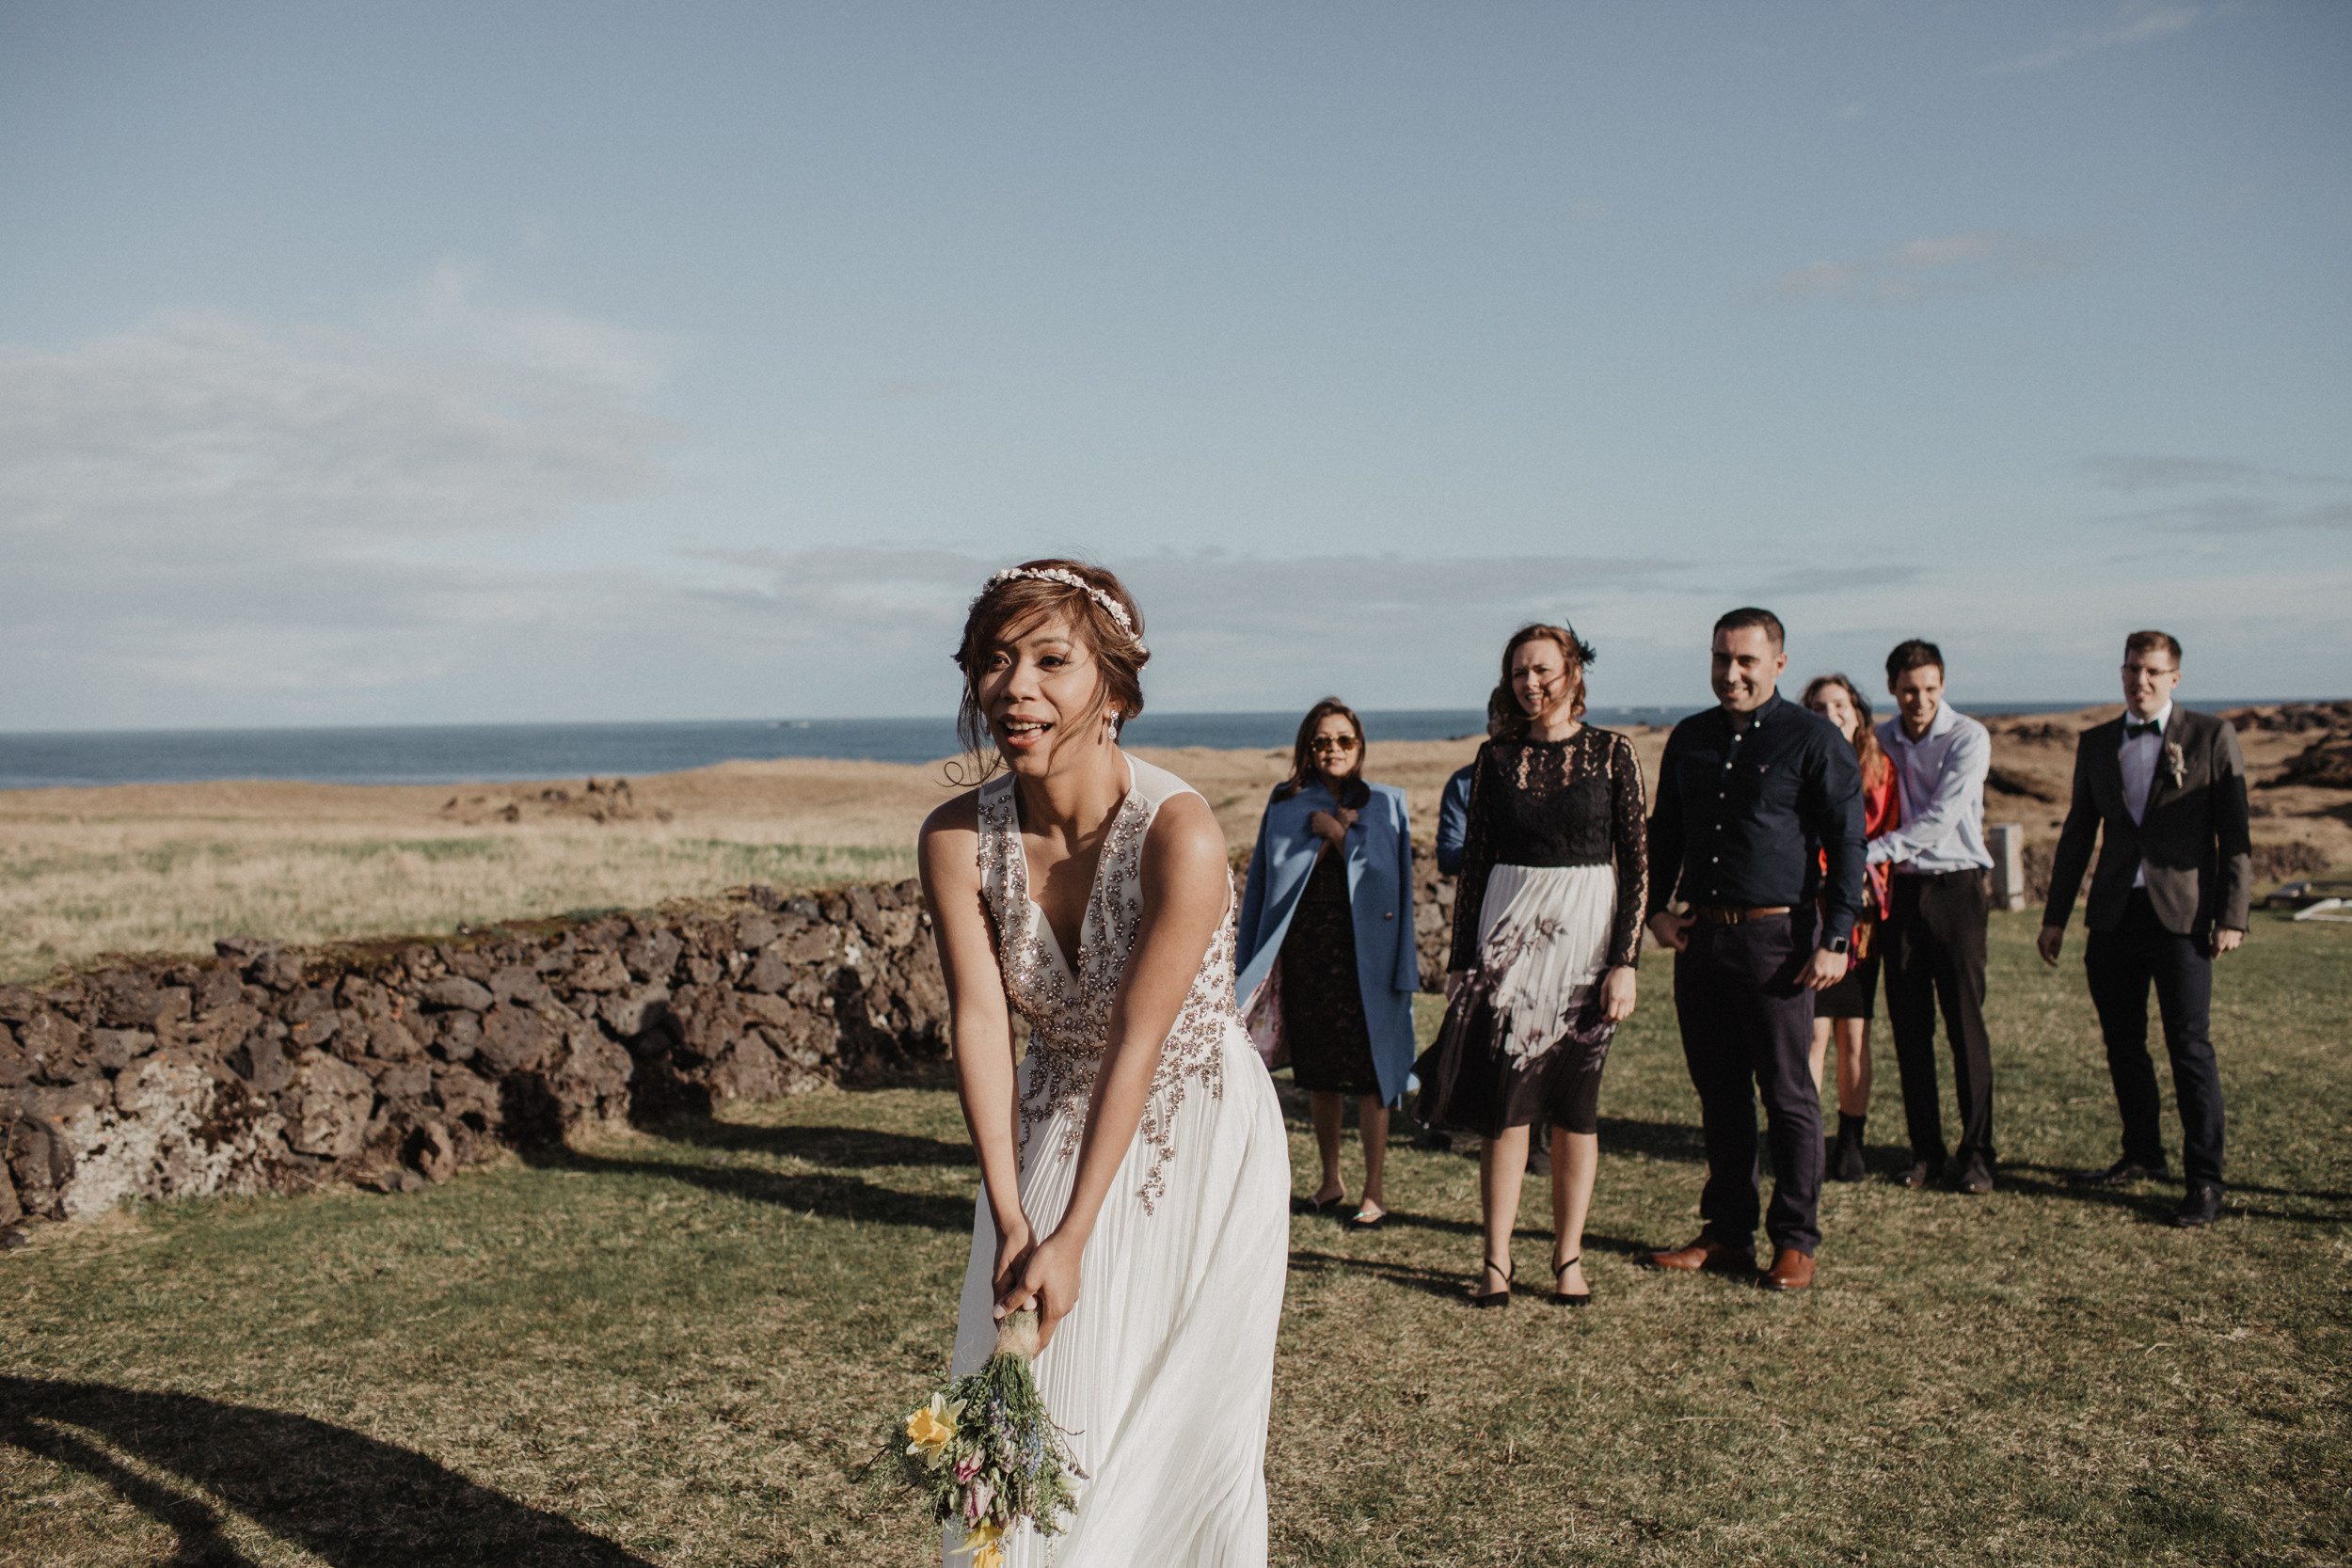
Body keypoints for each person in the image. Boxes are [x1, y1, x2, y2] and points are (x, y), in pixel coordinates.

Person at [918, 560, 1290, 1565]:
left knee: (1166, 1421)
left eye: (1051, 659)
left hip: (1195, 1131)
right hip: (1047, 1112)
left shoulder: (1182, 833)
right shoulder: (955, 837)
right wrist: (1013, 1211)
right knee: (1032, 1385)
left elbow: (1140, 1036)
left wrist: (1073, 1231)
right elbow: (981, 1020)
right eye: (995, 661)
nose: (1016, 687)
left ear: (1114, 690)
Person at [1415, 624, 1645, 1308]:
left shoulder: (1613, 754)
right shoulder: (1494, 758)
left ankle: (1568, 1257)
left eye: (1542, 670)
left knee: (1576, 1108)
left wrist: (1624, 961)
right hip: (1507, 945)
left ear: (1573, 673)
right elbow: (1475, 863)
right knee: (1505, 1106)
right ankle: (1497, 1259)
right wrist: (1461, 961)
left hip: (1586, 951)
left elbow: (1636, 862)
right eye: (1519, 672)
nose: (1530, 683)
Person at [1645, 609, 1864, 1293]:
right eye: (1720, 658)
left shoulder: (1816, 740)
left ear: (1778, 663)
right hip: (1702, 937)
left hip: (1779, 940)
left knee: (1788, 1092)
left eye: (1744, 660)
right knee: (1720, 1093)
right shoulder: (1690, 738)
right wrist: (1655, 910)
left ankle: (1795, 1239)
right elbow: (1666, 833)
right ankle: (1728, 1233)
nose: (1730, 672)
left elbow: (1847, 840)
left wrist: (1836, 935)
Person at [2039, 629, 2251, 1229]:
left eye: (2154, 672)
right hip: (2112, 914)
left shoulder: (2211, 737)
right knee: (2122, 1042)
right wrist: (2056, 916)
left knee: (2189, 1047)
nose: (2141, 681)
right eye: (2133, 669)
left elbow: (2234, 836)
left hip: (2182, 917)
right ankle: (2142, 1153)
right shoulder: (2097, 741)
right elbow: (2079, 832)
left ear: (2175, 678)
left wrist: (2231, 916)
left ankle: (2205, 1181)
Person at [1235, 699, 1420, 1229]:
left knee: (1371, 1076)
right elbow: (1264, 890)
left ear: (1359, 745)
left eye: (1343, 740)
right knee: (1319, 1077)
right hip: (1309, 954)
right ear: (1307, 748)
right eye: (1322, 741)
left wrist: (1341, 835)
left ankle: (1375, 1190)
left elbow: (1395, 887)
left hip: (1370, 959)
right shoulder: (1286, 802)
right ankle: (1329, 1180)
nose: (1332, 749)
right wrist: (1248, 963)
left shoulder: (1387, 804)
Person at [1868, 640, 1998, 1195]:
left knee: (1965, 1026)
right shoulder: (1879, 739)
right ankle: (1925, 1152)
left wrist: (1869, 852)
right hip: (1900, 893)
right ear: (1893, 688)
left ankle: (1977, 1156)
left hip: (1956, 890)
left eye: (1928, 689)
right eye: (1907, 690)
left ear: (1942, 686)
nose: (1918, 700)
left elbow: (1943, 816)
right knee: (1909, 1028)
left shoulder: (1969, 737)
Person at [1801, 673, 1898, 1182]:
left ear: (1858, 713)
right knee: (1812, 1035)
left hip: (1859, 917)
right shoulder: (1800, 763)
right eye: (1819, 706)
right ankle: (1808, 1141)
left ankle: (1851, 1143)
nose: (1831, 713)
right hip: (1806, 909)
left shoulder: (1880, 770)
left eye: (1840, 705)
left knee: (1854, 1035)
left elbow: (1881, 835)